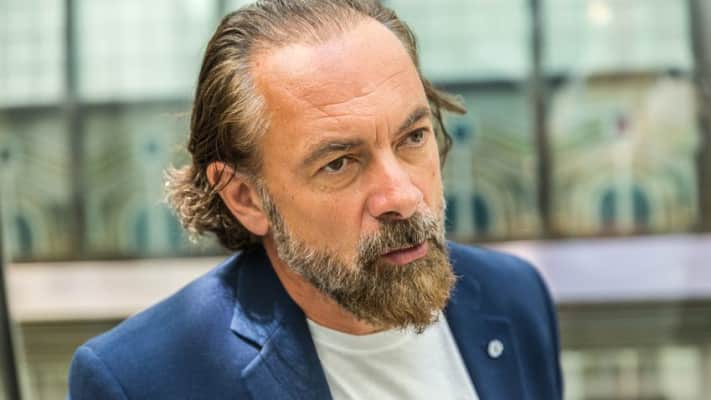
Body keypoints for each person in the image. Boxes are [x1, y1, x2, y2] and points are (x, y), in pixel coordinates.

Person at [68, 1, 563, 399]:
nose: (403, 196)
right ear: (245, 197)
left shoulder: (514, 297)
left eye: (413, 137)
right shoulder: (141, 381)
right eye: (339, 163)